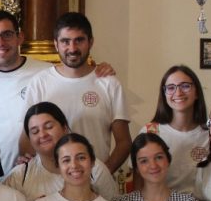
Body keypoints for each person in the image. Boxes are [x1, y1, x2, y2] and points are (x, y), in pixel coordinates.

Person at [24, 12, 132, 173]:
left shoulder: (109, 83)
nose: (72, 48)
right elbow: (28, 136)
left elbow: (124, 142)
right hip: (51, 181)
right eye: (65, 41)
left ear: (90, 42)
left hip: (95, 183)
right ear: (56, 44)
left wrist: (102, 175)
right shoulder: (39, 83)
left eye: (79, 40)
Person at [0, 11, 52, 175]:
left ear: (19, 37)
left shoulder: (46, 73)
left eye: (6, 34)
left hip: (37, 174)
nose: (0, 42)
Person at [4, 102, 121, 201]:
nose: (42, 134)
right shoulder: (19, 177)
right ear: (29, 139)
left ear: (65, 128)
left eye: (49, 127)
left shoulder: (94, 170)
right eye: (35, 131)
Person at [140, 65, 210, 193]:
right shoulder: (150, 132)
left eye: (185, 86)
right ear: (164, 94)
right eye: (171, 88)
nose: (178, 93)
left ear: (197, 93)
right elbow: (139, 180)